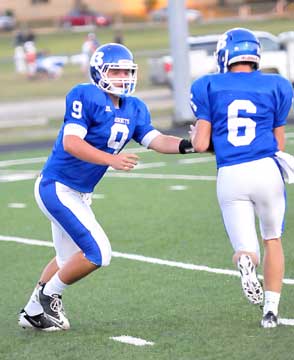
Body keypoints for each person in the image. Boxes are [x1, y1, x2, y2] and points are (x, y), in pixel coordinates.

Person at [18, 42, 194, 331]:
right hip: (57, 187)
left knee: (66, 258)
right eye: (116, 70)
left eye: (127, 70)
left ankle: (33, 311)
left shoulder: (135, 107)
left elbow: (157, 140)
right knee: (99, 252)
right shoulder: (84, 95)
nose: (123, 76)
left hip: (78, 192)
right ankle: (50, 295)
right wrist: (111, 159)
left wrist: (192, 146)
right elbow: (71, 142)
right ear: (99, 72)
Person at [189, 28, 293, 328]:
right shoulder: (276, 84)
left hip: (231, 174)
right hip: (265, 170)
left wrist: (200, 137)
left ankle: (247, 263)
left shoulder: (208, 85)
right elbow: (279, 144)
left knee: (246, 249)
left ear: (225, 55)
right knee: (272, 239)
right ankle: (271, 312)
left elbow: (200, 144)